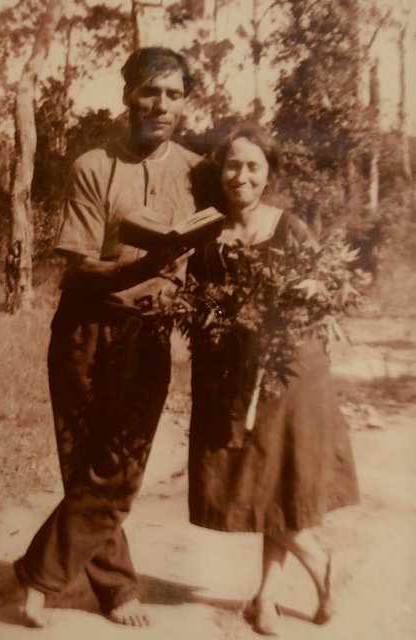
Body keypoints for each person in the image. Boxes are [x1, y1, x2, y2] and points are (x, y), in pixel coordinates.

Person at [14, 47, 202, 628]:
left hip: (148, 338)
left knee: (119, 472)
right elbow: (77, 272)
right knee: (84, 465)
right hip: (84, 329)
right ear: (127, 95)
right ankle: (117, 588)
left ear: (187, 101)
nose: (160, 105)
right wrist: (153, 262)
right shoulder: (94, 166)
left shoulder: (201, 171)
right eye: (149, 91)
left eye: (173, 94)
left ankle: (37, 573)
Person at [187, 122, 359, 636]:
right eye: (233, 165)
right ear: (221, 171)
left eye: (253, 166)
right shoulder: (205, 230)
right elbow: (196, 298)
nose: (241, 176)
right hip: (230, 374)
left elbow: (329, 289)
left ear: (268, 173)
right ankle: (274, 594)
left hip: (290, 371)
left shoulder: (289, 226)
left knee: (275, 478)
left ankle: (286, 587)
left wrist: (311, 291)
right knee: (258, 479)